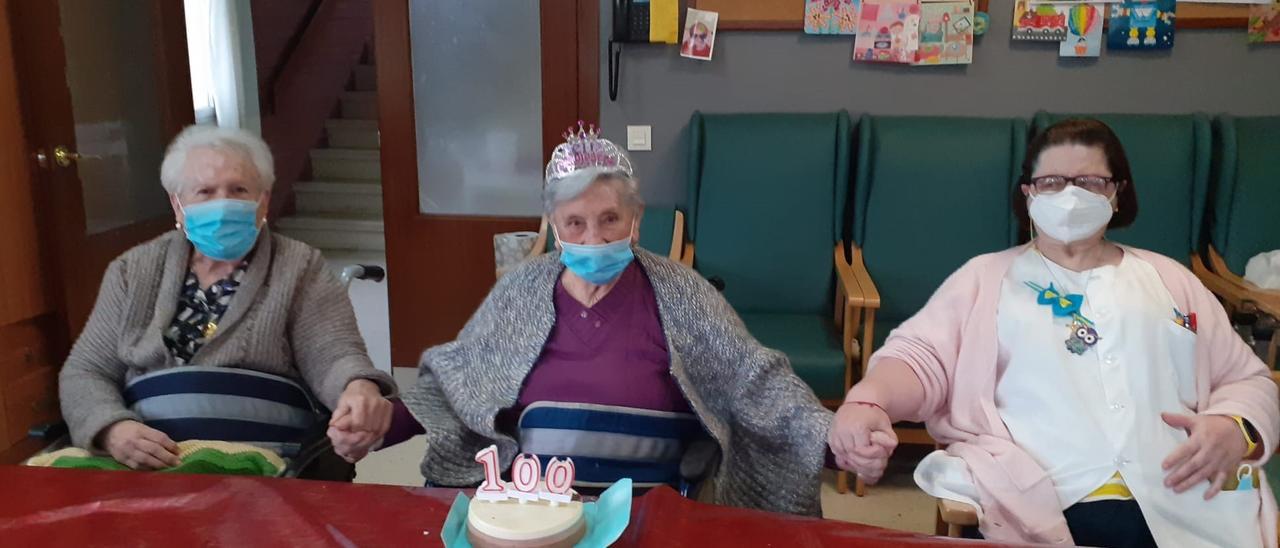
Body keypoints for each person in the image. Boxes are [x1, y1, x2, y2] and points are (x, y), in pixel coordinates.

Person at [829, 118, 1278, 547]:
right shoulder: (985, 278)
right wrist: (870, 402)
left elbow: (1248, 379)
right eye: (1051, 182)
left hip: (1180, 495)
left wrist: (1234, 428)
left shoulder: (1170, 280)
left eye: (1090, 182)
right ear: (1028, 194)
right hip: (1045, 499)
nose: (1069, 195)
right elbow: (919, 360)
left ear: (1118, 193)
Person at [344, 125, 832, 515]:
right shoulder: (520, 290)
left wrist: (830, 435)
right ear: (554, 227)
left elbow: (756, 380)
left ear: (636, 220)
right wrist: (387, 422)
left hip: (651, 515)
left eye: (610, 220)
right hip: (531, 513)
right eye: (575, 223)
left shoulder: (684, 292)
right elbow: (457, 384)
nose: (594, 239)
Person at [58, 125, 396, 477]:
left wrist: (358, 388)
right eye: (204, 191)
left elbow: (334, 355)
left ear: (262, 200)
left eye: (238, 190)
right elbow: (85, 371)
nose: (222, 204)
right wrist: (112, 429)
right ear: (178, 204)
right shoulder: (132, 270)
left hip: (263, 465)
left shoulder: (299, 266)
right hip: (150, 466)